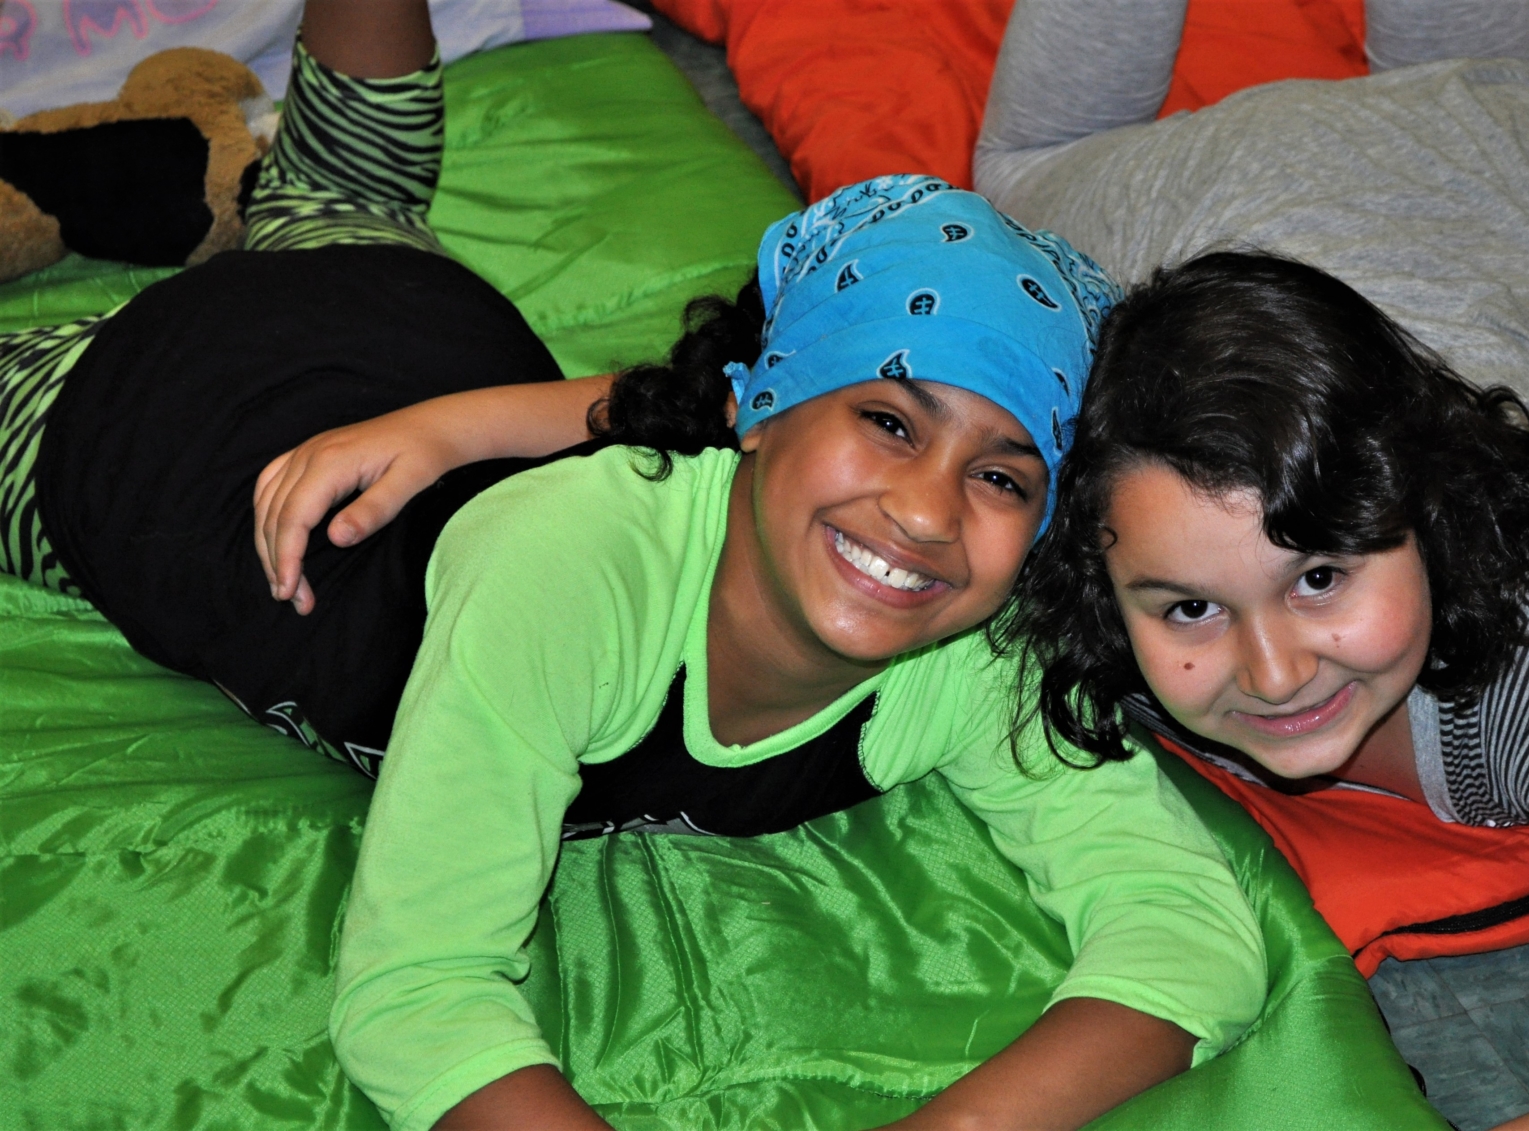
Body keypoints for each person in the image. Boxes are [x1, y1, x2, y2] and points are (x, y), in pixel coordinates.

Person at [0, 2, 1269, 1129]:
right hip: (158, 433)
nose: (929, 515)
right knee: (322, 210)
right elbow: (417, 994)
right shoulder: (573, 576)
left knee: (349, 187)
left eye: (1003, 477)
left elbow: (1192, 935)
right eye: (888, 421)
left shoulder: (979, 647)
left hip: (414, 317)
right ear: (756, 412)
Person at [977, 1, 1529, 1128]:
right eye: (1193, 607)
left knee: (1495, 97)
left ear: (1431, 514)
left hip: (1456, 186)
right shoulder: (1077, 558)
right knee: (1032, 173)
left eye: (1319, 579)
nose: (1275, 671)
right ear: (1098, 582)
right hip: (1161, 205)